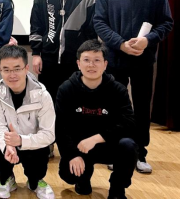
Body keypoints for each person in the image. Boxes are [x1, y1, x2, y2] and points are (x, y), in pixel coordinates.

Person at [94, 0, 173, 173]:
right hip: (115, 59)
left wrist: (148, 40)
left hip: (143, 60)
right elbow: (99, 22)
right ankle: (113, 151)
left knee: (141, 108)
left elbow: (166, 23)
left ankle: (140, 153)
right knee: (114, 108)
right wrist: (120, 44)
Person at [29, 0, 96, 157]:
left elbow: (92, 31)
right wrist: (36, 53)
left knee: (74, 105)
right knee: (47, 103)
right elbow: (36, 26)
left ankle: (72, 145)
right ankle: (47, 143)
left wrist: (86, 58)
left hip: (75, 61)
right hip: (48, 60)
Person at [55, 40, 138, 199]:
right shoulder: (66, 89)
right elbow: (61, 128)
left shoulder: (118, 89)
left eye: (97, 60)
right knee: (68, 175)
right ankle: (83, 179)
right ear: (78, 64)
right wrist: (72, 155)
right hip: (80, 147)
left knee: (128, 146)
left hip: (107, 144)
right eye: (86, 60)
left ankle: (117, 188)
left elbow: (129, 123)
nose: (91, 65)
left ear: (105, 64)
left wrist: (97, 138)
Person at [0, 45, 55, 199]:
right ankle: (7, 178)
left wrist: (21, 141)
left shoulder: (42, 95)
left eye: (17, 69)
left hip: (33, 145)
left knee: (42, 150)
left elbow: (49, 134)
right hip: (9, 143)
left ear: (26, 68)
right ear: (0, 70)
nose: (12, 75)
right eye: (6, 69)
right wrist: (8, 145)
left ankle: (35, 181)